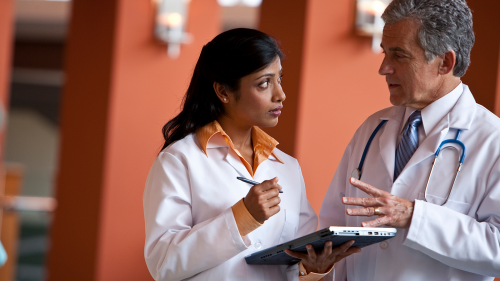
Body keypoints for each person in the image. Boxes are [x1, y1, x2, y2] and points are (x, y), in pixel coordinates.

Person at [143, 28, 359, 281]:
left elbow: (297, 261)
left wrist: (315, 267)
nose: (280, 95)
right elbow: (163, 264)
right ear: (223, 92)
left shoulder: (287, 167)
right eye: (264, 83)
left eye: (279, 79)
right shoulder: (179, 160)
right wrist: (243, 217)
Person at [319, 0, 500, 280]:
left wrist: (415, 217)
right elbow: (334, 223)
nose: (383, 68)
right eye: (384, 53)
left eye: (399, 56)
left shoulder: (492, 140)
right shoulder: (372, 129)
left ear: (445, 62)